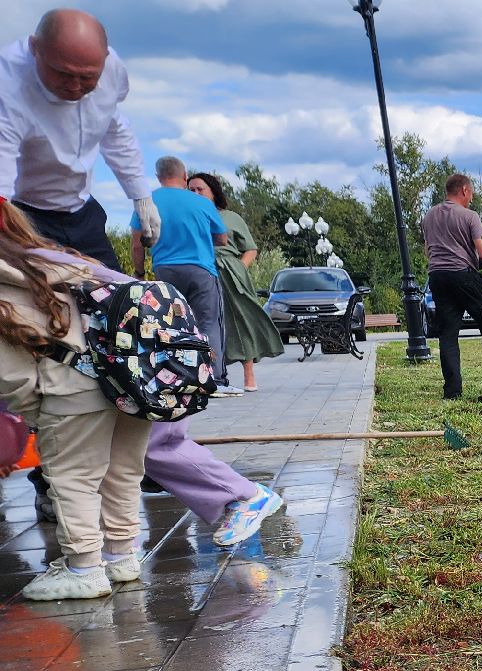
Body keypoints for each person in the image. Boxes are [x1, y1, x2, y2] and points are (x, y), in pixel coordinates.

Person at [0, 195, 150, 600]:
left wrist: (37, 408)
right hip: (132, 379)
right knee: (123, 471)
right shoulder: (57, 258)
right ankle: (122, 556)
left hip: (70, 384)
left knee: (73, 479)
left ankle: (84, 568)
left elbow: (8, 369)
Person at [0, 9, 159, 269]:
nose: (75, 86)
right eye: (63, 73)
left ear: (105, 58)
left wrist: (141, 196)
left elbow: (115, 128)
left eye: (87, 77)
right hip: (22, 216)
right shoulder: (6, 84)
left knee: (119, 302)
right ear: (34, 48)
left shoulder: (112, 70)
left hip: (82, 213)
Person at [130, 155, 236, 395]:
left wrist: (138, 271)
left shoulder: (147, 202)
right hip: (200, 270)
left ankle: (173, 378)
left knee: (170, 324)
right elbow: (222, 238)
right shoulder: (201, 202)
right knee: (209, 323)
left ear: (158, 176)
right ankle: (214, 380)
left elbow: (137, 245)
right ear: (184, 175)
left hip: (164, 270)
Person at [423, 173, 482, 400]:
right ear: (464, 190)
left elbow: (428, 251)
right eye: (471, 193)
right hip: (462, 274)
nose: (471, 198)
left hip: (437, 276)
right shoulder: (469, 216)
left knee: (448, 333)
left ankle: (452, 391)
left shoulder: (429, 215)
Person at [188, 172, 279, 392]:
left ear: (213, 192)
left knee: (240, 320)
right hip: (199, 269)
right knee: (202, 322)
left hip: (230, 272)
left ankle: (249, 372)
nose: (196, 193)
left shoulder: (230, 217)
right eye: (191, 190)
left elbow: (250, 248)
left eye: (200, 189)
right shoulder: (188, 216)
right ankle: (205, 374)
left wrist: (239, 267)